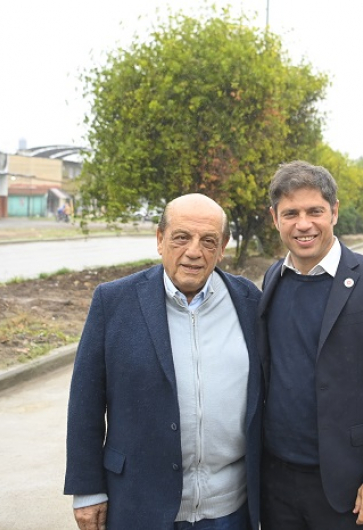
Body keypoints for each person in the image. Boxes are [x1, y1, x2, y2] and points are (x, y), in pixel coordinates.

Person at [64, 193, 263, 530]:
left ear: (223, 246)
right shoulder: (113, 302)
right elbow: (86, 402)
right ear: (160, 239)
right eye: (181, 237)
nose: (194, 251)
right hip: (140, 504)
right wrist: (87, 489)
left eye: (208, 240)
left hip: (230, 509)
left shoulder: (249, 302)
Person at [258, 161, 363, 529]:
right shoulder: (273, 278)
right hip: (275, 482)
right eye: (291, 213)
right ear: (275, 218)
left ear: (334, 211)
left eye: (315, 211)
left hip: (345, 487)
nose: (303, 224)